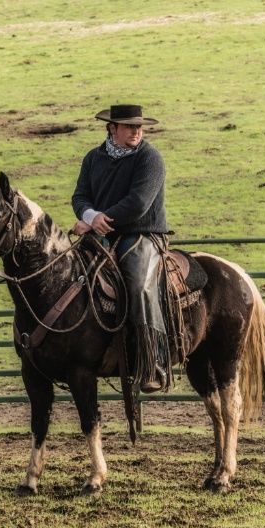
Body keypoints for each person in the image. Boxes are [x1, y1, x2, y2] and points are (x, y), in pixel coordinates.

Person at [71, 104, 170, 393]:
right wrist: (90, 216)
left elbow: (139, 203)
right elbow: (80, 196)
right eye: (129, 126)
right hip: (101, 234)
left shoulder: (150, 158)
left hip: (141, 234)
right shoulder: (93, 158)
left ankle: (154, 361)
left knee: (139, 284)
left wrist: (96, 221)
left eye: (139, 126)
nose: (136, 131)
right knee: (68, 276)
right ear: (112, 128)